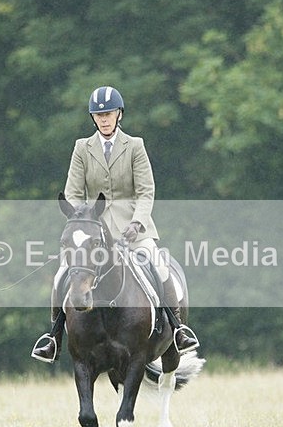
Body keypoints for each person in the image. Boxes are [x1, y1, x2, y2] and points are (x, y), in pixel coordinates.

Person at [31, 85, 199, 363]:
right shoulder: (82, 148)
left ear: (119, 114)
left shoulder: (135, 146)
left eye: (109, 113)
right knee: (63, 271)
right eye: (99, 115)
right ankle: (53, 336)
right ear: (93, 118)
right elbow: (72, 191)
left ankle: (178, 328)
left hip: (132, 228)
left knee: (159, 266)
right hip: (91, 229)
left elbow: (146, 191)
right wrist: (79, 218)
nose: (104, 119)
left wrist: (137, 222)